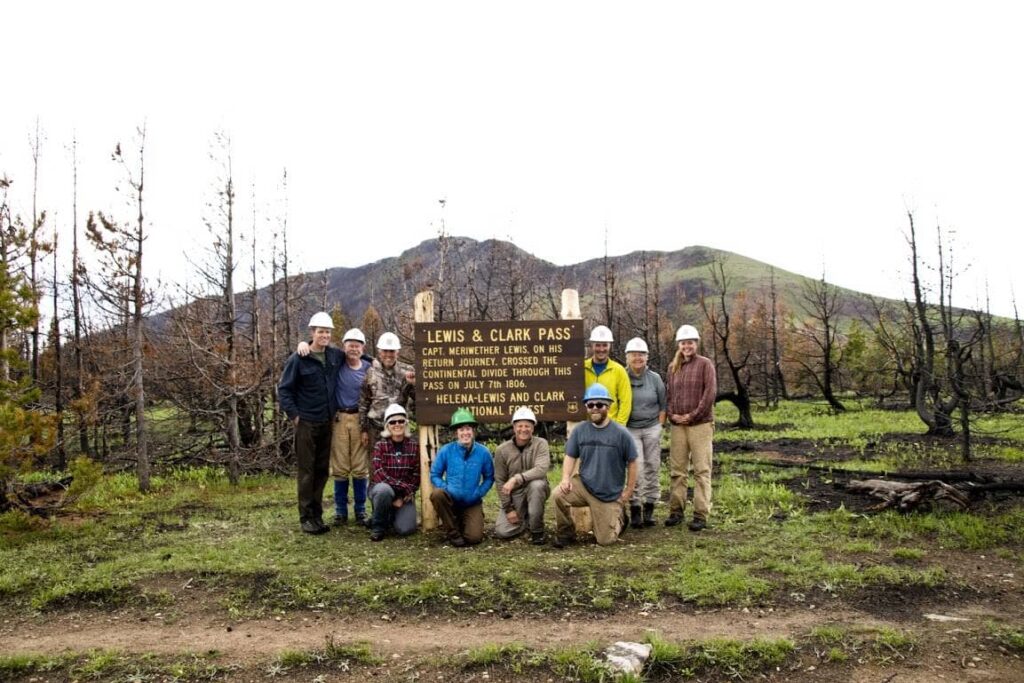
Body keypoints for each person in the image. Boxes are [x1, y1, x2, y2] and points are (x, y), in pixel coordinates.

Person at [277, 312, 343, 535]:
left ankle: (317, 515)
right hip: (306, 422)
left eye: (327, 331)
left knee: (322, 470)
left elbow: (357, 356)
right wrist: (295, 416)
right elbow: (284, 390)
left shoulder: (334, 356)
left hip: (327, 422)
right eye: (321, 331)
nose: (324, 335)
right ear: (312, 332)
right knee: (307, 472)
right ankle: (306, 517)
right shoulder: (298, 359)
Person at [552, 384, 638, 548]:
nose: (595, 409)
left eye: (599, 405)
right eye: (590, 405)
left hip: (608, 494)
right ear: (586, 406)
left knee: (605, 541)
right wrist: (565, 478)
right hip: (584, 485)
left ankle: (619, 517)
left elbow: (632, 462)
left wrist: (628, 491)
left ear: (608, 406)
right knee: (558, 495)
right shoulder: (580, 431)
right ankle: (566, 533)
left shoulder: (621, 434)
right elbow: (570, 456)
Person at [664, 324, 717, 531]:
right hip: (678, 426)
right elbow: (668, 395)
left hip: (700, 425)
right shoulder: (673, 367)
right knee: (678, 470)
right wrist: (672, 415)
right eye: (684, 343)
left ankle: (700, 514)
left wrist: (692, 416)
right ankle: (676, 511)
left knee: (701, 470)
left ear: (696, 344)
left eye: (690, 343)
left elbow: (709, 394)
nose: (687, 346)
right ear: (679, 344)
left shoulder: (705, 364)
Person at [429, 407, 494, 547]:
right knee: (437, 494)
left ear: (473, 431)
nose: (465, 433)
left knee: (474, 538)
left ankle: (466, 520)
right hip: (451, 499)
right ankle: (453, 532)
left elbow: (489, 477)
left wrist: (479, 492)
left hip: (472, 501)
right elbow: (435, 475)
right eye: (461, 430)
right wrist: (446, 488)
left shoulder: (483, 452)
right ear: (456, 432)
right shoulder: (446, 450)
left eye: (468, 429)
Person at [330, 328, 372, 526]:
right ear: (344, 346)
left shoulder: (369, 368)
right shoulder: (335, 365)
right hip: (339, 417)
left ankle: (361, 510)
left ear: (363, 348)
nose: (353, 349)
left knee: (359, 466)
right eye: (350, 345)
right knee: (340, 466)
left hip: (359, 418)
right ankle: (340, 510)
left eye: (357, 345)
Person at [624, 337, 666, 529]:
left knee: (652, 465)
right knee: (636, 466)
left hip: (651, 427)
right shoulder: (622, 376)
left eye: (641, 354)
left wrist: (660, 426)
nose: (638, 358)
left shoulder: (655, 379)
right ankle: (635, 506)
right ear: (627, 357)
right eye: (634, 354)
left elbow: (663, 405)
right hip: (630, 428)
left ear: (647, 357)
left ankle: (650, 505)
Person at [492, 406, 551, 545]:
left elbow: (541, 469)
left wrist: (516, 478)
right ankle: (526, 520)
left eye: (527, 426)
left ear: (533, 428)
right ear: (514, 427)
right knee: (502, 531)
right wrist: (508, 508)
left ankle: (537, 530)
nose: (523, 429)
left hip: (536, 488)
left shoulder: (541, 444)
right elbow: (500, 480)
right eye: (520, 426)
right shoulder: (502, 450)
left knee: (536, 485)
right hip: (515, 494)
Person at [367, 403, 420, 541]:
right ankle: (378, 527)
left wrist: (403, 497)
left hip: (404, 496)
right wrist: (403, 489)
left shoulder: (414, 446)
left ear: (406, 423)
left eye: (401, 421)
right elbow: (379, 474)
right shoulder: (380, 445)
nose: (397, 424)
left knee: (406, 529)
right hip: (383, 490)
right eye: (392, 422)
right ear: (387, 426)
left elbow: (416, 474)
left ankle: (385, 515)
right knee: (384, 490)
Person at [360, 331, 416, 449]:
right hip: (376, 429)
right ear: (379, 352)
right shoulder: (370, 372)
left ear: (397, 352)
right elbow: (364, 402)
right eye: (385, 351)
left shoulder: (407, 371)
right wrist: (363, 429)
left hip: (399, 428)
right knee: (376, 465)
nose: (388, 354)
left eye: (392, 351)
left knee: (400, 464)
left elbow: (419, 399)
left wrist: (413, 384)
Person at [583, 325, 632, 426]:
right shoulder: (582, 368)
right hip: (586, 426)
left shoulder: (619, 370)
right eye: (598, 345)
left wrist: (620, 426)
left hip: (610, 425)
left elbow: (625, 401)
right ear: (592, 345)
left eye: (605, 345)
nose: (601, 349)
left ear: (610, 346)